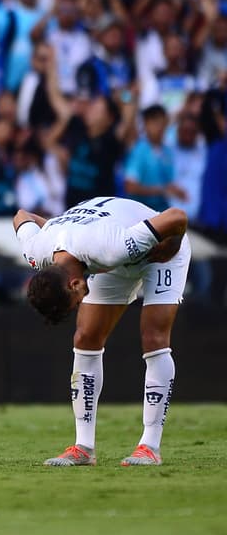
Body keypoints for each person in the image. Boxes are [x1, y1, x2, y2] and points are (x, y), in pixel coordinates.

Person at [14, 197, 190, 467]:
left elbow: (177, 216)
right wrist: (55, 227)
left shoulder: (110, 247)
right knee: (85, 338)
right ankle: (83, 448)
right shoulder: (37, 251)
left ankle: (150, 446)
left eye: (76, 302)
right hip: (104, 254)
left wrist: (171, 245)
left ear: (74, 284)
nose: (82, 303)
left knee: (153, 337)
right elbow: (21, 215)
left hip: (159, 247)